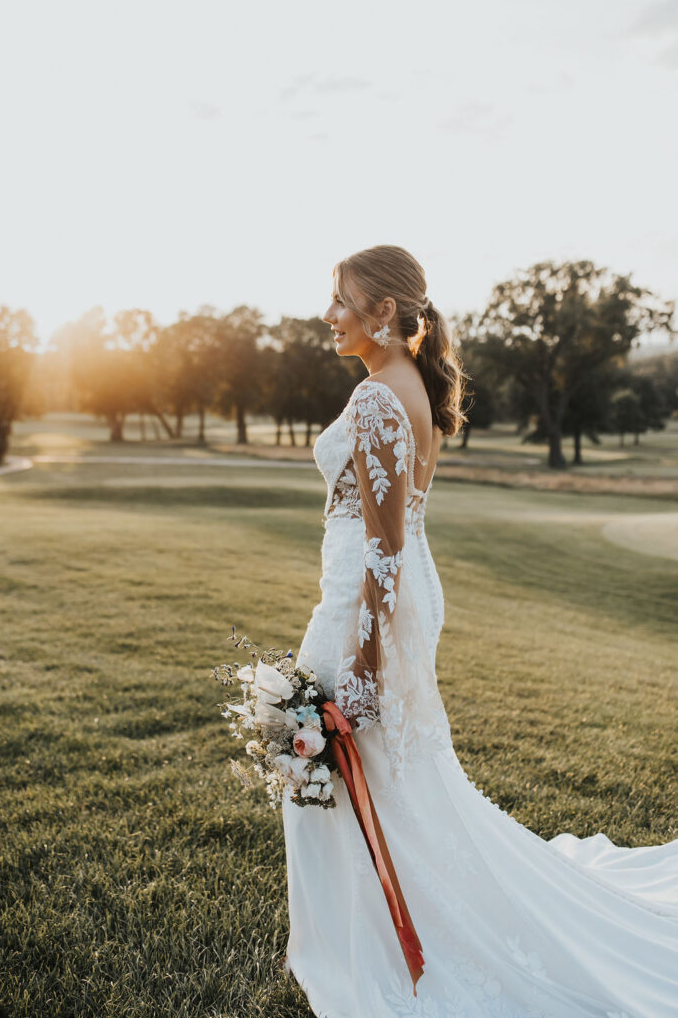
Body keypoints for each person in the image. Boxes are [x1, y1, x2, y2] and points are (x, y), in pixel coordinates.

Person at [281, 244, 678, 1017]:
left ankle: (387, 947)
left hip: (366, 607)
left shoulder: (379, 397)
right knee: (390, 779)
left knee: (339, 764)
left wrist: (360, 664)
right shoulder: (406, 384)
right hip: (382, 596)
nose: (327, 315)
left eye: (340, 300)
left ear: (382, 311)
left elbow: (384, 547)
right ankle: (384, 929)